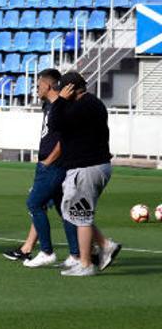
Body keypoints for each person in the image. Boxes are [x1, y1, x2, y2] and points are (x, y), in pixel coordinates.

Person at [2, 69, 80, 268]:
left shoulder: (62, 108)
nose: (35, 89)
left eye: (38, 85)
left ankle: (46, 251)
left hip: (53, 165)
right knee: (65, 211)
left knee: (34, 204)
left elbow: (64, 140)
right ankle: (76, 255)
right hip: (47, 164)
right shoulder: (49, 105)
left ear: (47, 85)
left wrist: (49, 161)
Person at [50, 72, 121, 277]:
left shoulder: (83, 106)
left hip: (87, 167)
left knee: (81, 215)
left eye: (62, 89)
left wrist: (61, 100)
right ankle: (104, 245)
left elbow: (55, 124)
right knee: (73, 212)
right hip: (90, 166)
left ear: (70, 89)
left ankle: (86, 263)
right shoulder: (90, 103)